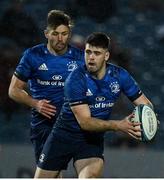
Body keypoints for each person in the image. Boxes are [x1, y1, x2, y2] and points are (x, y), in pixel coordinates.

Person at [34, 32, 153, 178]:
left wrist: (149, 118)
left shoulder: (120, 76)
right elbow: (85, 122)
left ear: (106, 56)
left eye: (97, 53)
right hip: (62, 138)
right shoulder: (75, 79)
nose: (91, 57)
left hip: (91, 141)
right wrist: (119, 125)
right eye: (88, 52)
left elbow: (145, 104)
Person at [8, 9, 84, 166]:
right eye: (55, 34)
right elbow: (13, 90)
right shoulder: (33, 55)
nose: (60, 38)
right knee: (51, 173)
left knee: (88, 169)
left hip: (73, 124)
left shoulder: (79, 58)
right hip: (45, 124)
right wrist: (36, 103)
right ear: (46, 33)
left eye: (64, 34)